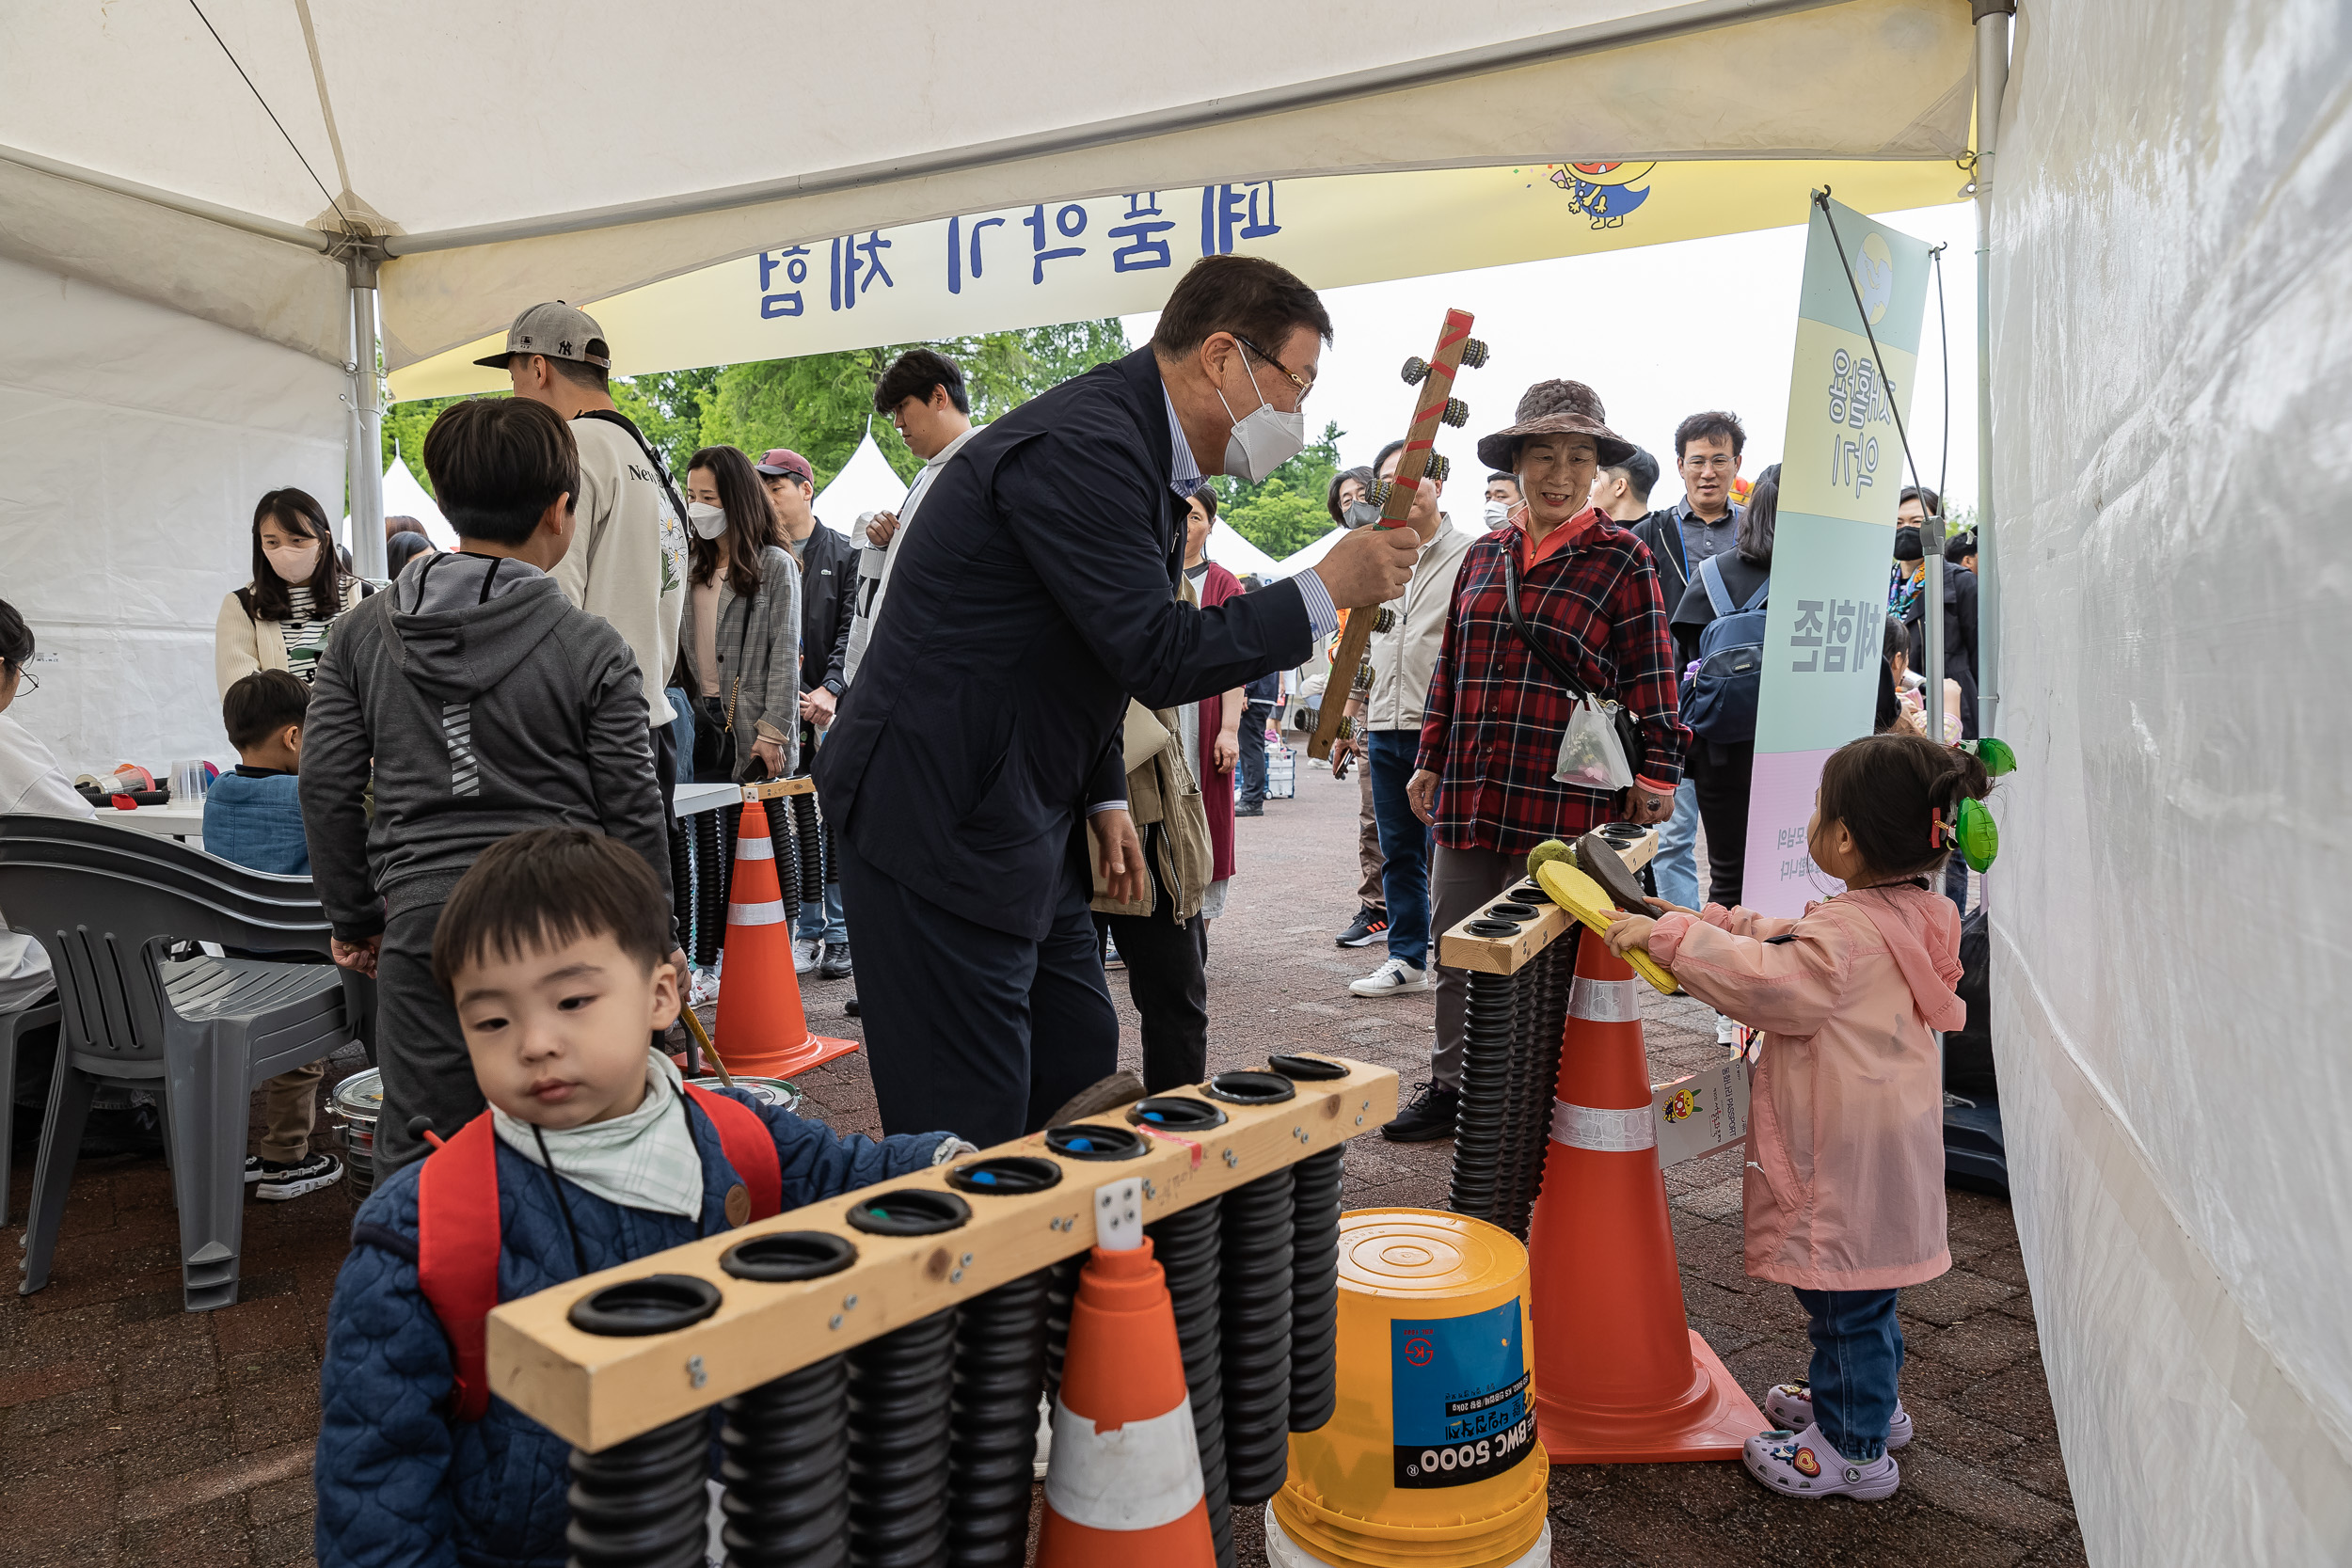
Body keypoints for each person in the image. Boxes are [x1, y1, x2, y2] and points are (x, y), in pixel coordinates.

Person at [817, 254, 1418, 1144]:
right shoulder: (1087, 447)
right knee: (971, 1119)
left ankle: (1068, 1269)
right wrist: (1322, 586)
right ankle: (980, 1279)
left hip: (1025, 806)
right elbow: (1153, 649)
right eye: (1295, 383)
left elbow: (1067, 649)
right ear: (1223, 357)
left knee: (1078, 1061)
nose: (1297, 414)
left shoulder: (1138, 453)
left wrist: (1103, 799)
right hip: (937, 816)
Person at [312, 828, 963, 1568]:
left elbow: (847, 1175)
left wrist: (951, 1168)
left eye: (572, 999)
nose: (533, 1041)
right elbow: (376, 1489)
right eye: (491, 1019)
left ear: (661, 994)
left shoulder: (738, 1139)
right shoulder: (421, 1235)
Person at [1600, 733, 1989, 1501]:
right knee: (1866, 1293)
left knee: (1845, 1299)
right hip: (1885, 1145)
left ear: (1843, 837)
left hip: (1840, 1157)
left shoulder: (1846, 935)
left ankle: (1853, 1448)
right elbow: (1786, 939)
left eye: (1820, 808)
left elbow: (1771, 979)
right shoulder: (1912, 911)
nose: (1814, 819)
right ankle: (1868, 1402)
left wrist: (1673, 939)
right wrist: (1696, 918)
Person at [301, 397, 682, 1177]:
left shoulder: (359, 634)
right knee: (581, 1140)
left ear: (445, 500)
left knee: (424, 1148)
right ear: (560, 510)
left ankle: (412, 1292)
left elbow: (327, 781)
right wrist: (655, 942)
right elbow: (633, 808)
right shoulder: (590, 643)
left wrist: (355, 915)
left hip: (422, 920)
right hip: (564, 921)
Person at [1391, 380, 1688, 1142]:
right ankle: (1452, 1085)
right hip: (1470, 782)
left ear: (1599, 471)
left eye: (1579, 457)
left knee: (1546, 947)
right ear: (1517, 463)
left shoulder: (1624, 558)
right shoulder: (1483, 554)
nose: (1560, 472)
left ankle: (1528, 1095)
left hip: (1566, 793)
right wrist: (1429, 755)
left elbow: (1653, 674)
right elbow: (1454, 662)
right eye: (1545, 454)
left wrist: (1658, 774)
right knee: (1457, 942)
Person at [486, 302, 691, 815]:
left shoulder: (572, 446)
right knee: (644, 890)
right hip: (652, 720)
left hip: (588, 732)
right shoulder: (646, 451)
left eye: (514, 380)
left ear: (538, 368)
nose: (515, 395)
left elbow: (551, 603)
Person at [199, 671, 346, 1201]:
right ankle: (286, 1159)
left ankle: (229, 1155)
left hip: (236, 956)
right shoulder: (308, 795)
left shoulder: (218, 793)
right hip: (304, 960)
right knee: (300, 1060)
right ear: (293, 737)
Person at [1337, 437, 1472, 998]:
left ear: (1438, 479)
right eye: (1391, 479)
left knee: (1454, 851)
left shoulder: (1474, 552)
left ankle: (1461, 960)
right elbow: (1364, 645)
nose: (1404, 487)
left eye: (1416, 474)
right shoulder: (1378, 553)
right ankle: (1407, 958)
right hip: (1384, 724)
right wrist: (1349, 720)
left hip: (1444, 729)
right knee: (1397, 849)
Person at [1630, 412, 1747, 913]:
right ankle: (1688, 946)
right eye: (1697, 461)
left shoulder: (1760, 534)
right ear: (1680, 466)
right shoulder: (1647, 534)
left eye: (1720, 460)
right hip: (1670, 703)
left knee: (1740, 842)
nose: (1708, 472)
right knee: (1672, 836)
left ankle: (1739, 941)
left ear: (1737, 464)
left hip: (1739, 706)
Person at [757, 448, 858, 980]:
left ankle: (840, 934)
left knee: (833, 817)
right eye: (763, 489)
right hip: (778, 708)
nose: (769, 498)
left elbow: (853, 627)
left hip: (828, 706)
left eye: (777, 487)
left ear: (805, 489)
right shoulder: (759, 555)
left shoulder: (842, 550)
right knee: (786, 819)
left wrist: (831, 689)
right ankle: (809, 927)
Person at [1090, 694, 1216, 1091]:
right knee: (1071, 1020)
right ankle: (1071, 1143)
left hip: (1155, 816)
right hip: (1055, 815)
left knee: (1177, 1008)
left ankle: (1174, 1138)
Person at [1669, 463, 1777, 915]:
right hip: (1798, 749)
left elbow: (1687, 663)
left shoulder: (1712, 573)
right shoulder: (1822, 578)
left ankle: (1723, 975)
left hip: (1721, 749)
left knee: (1728, 875)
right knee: (1800, 872)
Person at [845, 349, 981, 684]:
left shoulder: (983, 467)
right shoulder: (926, 474)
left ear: (938, 396)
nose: (897, 423)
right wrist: (883, 540)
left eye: (902, 407)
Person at [679, 445, 801, 784]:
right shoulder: (689, 565)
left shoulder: (774, 565)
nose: (697, 507)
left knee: (752, 834)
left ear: (737, 499)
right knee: (701, 832)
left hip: (754, 725)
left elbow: (785, 653)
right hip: (697, 717)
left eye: (709, 497)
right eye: (691, 496)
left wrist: (774, 731)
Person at [1318, 463, 1389, 950]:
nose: (1354, 503)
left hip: (1420, 704)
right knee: (1374, 811)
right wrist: (1344, 719)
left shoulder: (1404, 552)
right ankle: (1379, 908)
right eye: (1345, 499)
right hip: (1367, 704)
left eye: (1362, 493)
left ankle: (1423, 909)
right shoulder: (1341, 562)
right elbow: (1347, 650)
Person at [215, 487, 367, 695]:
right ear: (260, 544)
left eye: (297, 540)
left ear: (324, 540)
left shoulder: (364, 596)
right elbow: (241, 698)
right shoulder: (241, 605)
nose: (285, 551)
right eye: (272, 542)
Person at [1183, 486, 1247, 919]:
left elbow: (1236, 662)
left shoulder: (1223, 583)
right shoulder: (1146, 572)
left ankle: (1198, 914)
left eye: (1196, 517)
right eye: (1180, 515)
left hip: (1203, 714)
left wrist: (1228, 729)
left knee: (1205, 807)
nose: (1186, 525)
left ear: (1210, 525)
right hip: (1156, 712)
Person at [1590, 446, 1659, 524]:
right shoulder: (1663, 531)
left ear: (1620, 486)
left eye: (1596, 480)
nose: (1589, 493)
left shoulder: (1591, 534)